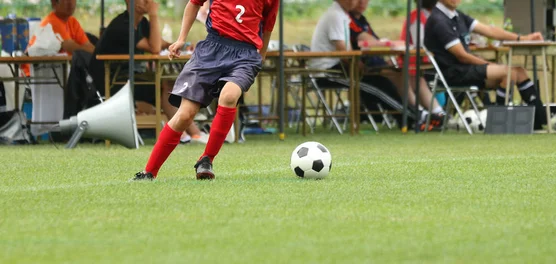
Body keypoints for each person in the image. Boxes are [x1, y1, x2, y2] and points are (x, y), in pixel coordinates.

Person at [132, 0, 280, 181]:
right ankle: (149, 172)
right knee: (185, 114)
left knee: (230, 95)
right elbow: (193, 4)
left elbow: (268, 24)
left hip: (245, 55)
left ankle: (206, 159)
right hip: (211, 49)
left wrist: (261, 57)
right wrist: (181, 39)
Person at [424, 0, 556, 130]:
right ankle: (498, 124)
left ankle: (543, 120)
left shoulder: (457, 16)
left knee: (519, 71)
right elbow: (462, 56)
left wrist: (522, 38)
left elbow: (490, 31)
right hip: (453, 73)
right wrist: (490, 65)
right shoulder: (439, 20)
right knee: (507, 72)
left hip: (465, 70)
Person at [89, 0, 206, 144]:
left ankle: (189, 133)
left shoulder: (142, 23)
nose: (148, 2)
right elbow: (155, 48)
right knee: (165, 86)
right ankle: (190, 134)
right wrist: (154, 14)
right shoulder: (121, 26)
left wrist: (179, 45)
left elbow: (160, 43)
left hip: (128, 77)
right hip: (112, 82)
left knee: (170, 83)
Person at [309, 0, 411, 125]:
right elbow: (344, 52)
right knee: (377, 85)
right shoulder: (335, 16)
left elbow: (347, 50)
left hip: (338, 69)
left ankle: (402, 117)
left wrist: (360, 66)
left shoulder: (341, 15)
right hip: (328, 73)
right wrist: (359, 66)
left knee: (379, 81)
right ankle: (407, 118)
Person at [349, 0, 445, 129]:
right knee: (403, 75)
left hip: (400, 62)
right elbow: (421, 44)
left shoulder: (362, 20)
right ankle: (420, 112)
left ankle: (435, 112)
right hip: (376, 66)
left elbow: (374, 41)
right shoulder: (416, 18)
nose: (362, 3)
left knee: (412, 76)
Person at [26, 0, 95, 55]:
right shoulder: (51, 23)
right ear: (54, 2)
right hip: (33, 71)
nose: (70, 2)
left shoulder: (73, 22)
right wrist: (94, 52)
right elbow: (73, 48)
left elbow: (89, 47)